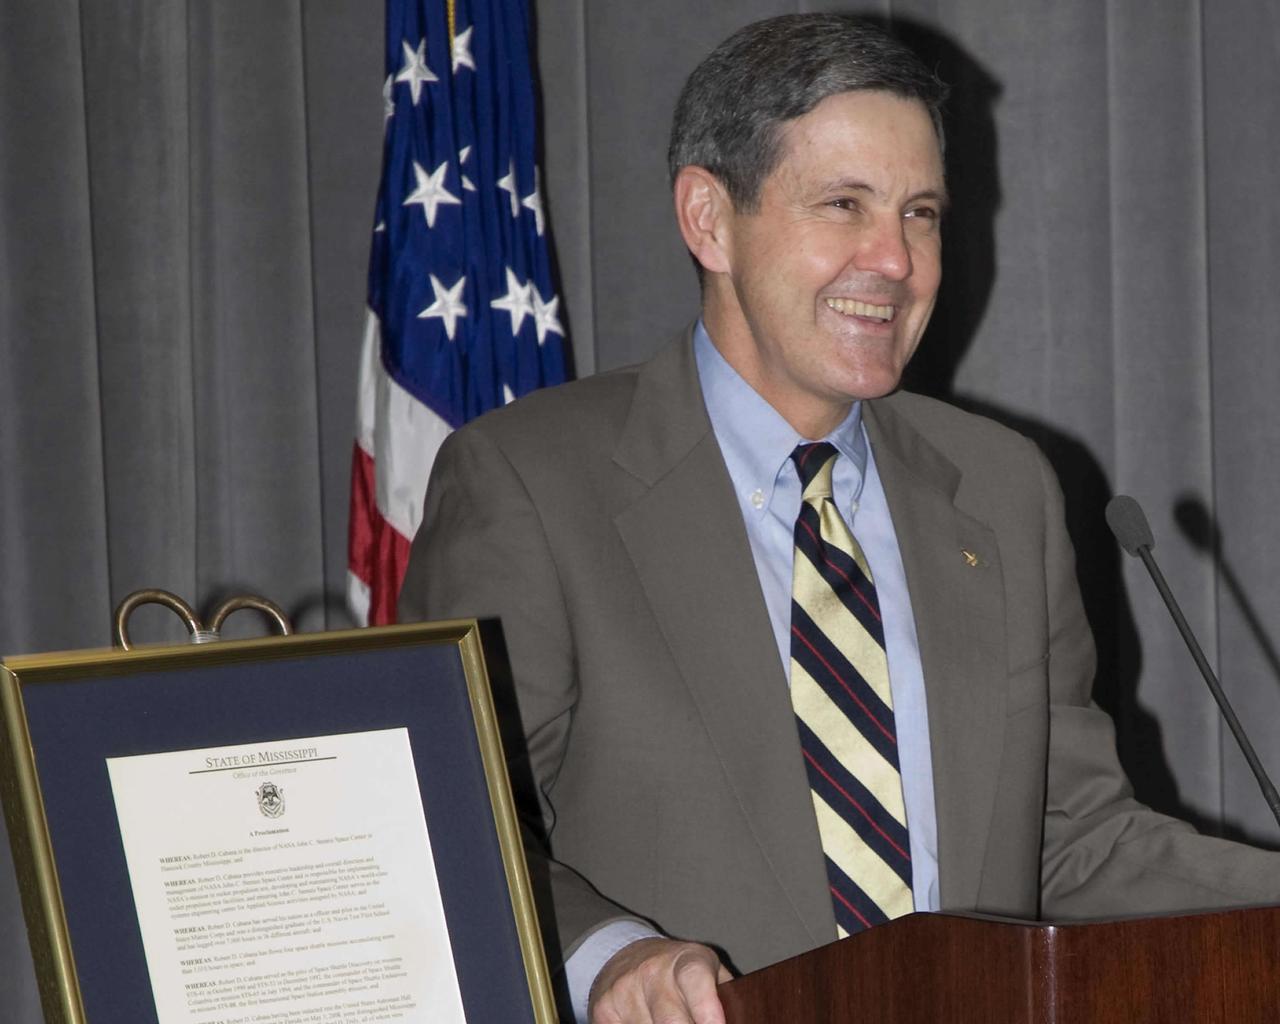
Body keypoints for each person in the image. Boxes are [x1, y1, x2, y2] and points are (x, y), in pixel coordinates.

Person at [399, 14, 1280, 1024]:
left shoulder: (1001, 491)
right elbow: (455, 829)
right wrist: (609, 955)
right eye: (843, 205)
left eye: (920, 213)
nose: (895, 260)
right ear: (707, 219)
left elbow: (1069, 837)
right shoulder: (530, 482)